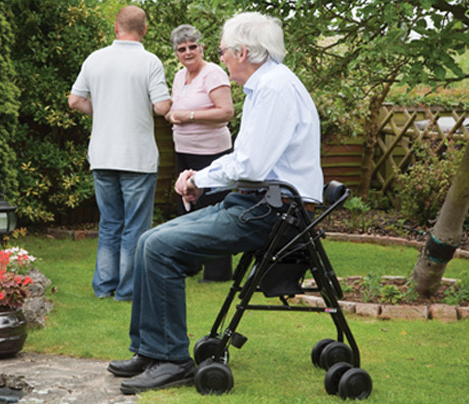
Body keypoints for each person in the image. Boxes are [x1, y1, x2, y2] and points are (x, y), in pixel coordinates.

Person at [107, 12, 324, 395]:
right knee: (147, 241)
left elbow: (253, 166)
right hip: (257, 202)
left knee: (158, 247)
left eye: (222, 50)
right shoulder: (267, 86)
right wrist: (197, 180)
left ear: (242, 51)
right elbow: (244, 155)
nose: (221, 57)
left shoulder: (274, 89)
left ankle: (172, 361)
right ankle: (150, 351)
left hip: (273, 212)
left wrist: (200, 178)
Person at [68, 5, 171, 301]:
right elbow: (162, 107)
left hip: (102, 155)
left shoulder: (95, 59)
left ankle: (103, 287)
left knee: (110, 223)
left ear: (116, 27)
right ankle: (126, 291)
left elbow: (75, 101)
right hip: (137, 157)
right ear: (145, 30)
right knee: (135, 227)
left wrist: (101, 110)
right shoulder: (149, 61)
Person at [165, 24, 235, 282]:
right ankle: (190, 264)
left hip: (211, 152)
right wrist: (173, 114)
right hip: (184, 150)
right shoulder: (179, 76)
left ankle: (218, 272)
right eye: (182, 49)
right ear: (176, 53)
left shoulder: (214, 74)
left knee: (214, 211)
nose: (188, 52)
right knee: (187, 208)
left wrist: (190, 115)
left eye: (192, 46)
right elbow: (176, 108)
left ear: (202, 47)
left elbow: (226, 111)